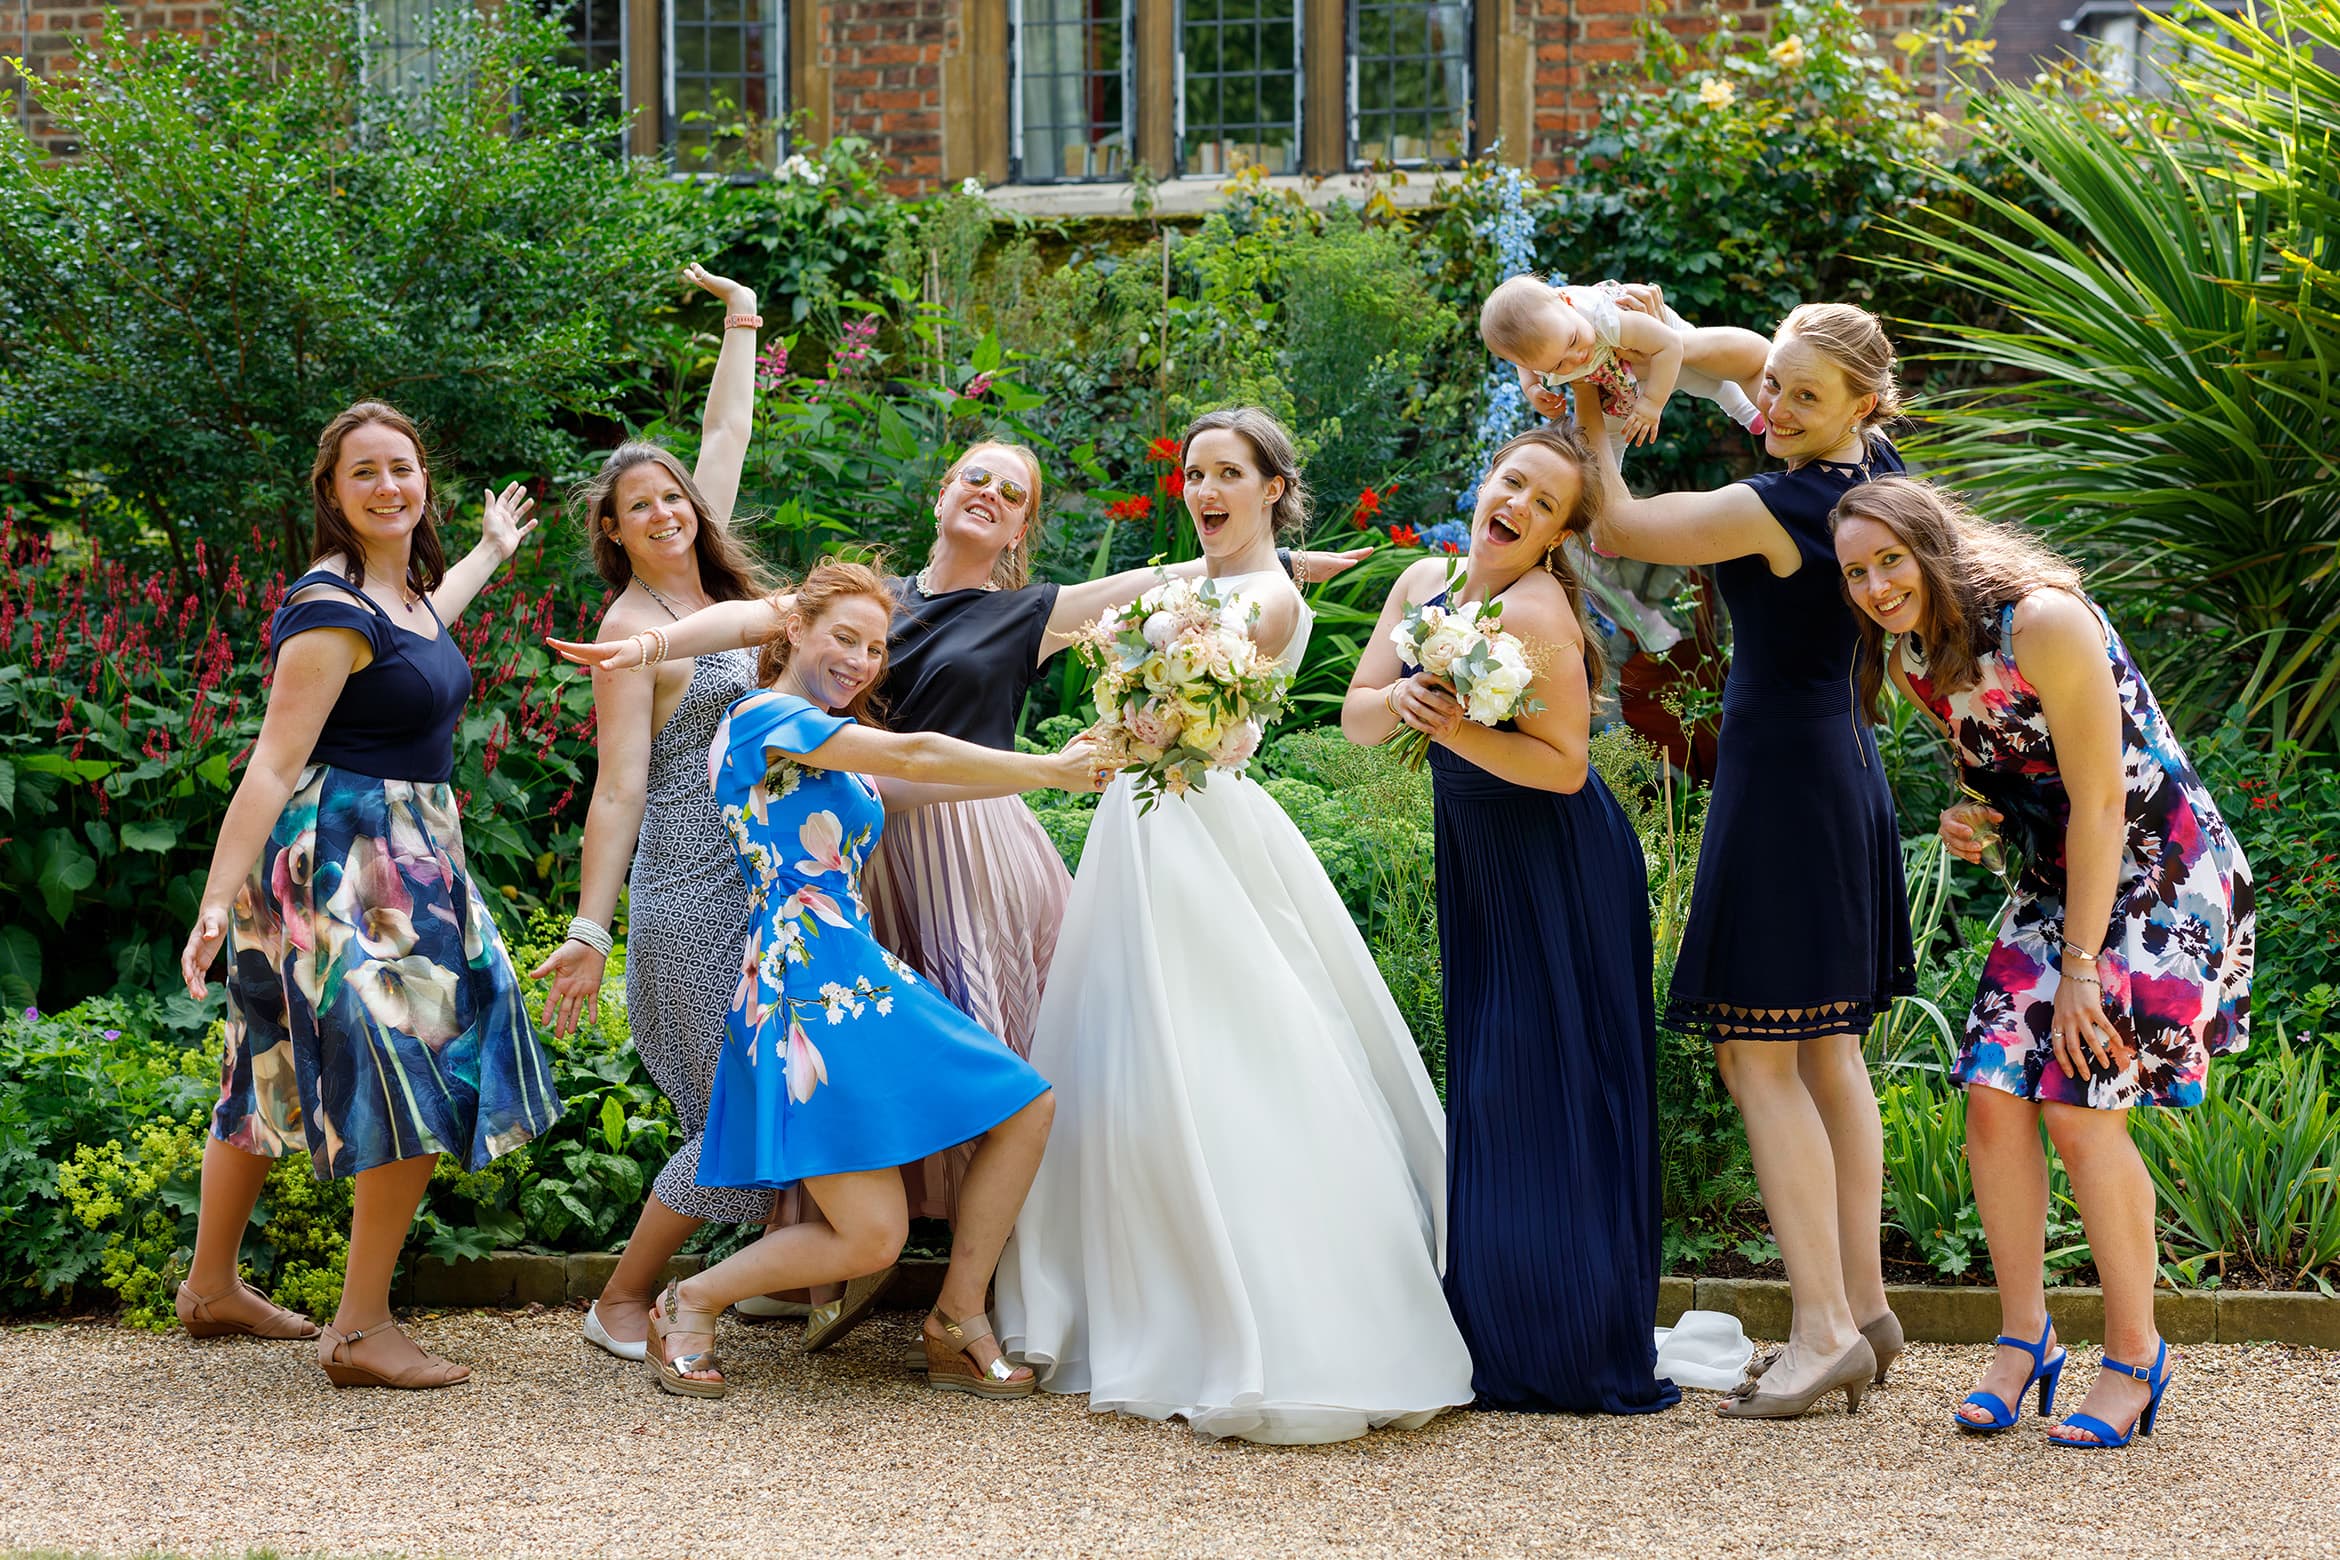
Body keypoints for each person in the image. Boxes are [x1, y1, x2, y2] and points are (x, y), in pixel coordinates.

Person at [552, 440, 1367, 1352]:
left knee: (1005, 1059)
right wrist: (650, 644)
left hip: (958, 837)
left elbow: (1170, 578)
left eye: (1012, 492)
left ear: (1023, 526)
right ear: (941, 489)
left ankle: (961, 1287)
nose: (989, 494)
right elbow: (755, 627)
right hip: (866, 848)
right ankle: (825, 1264)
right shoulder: (868, 608)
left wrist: (1281, 561)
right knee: (852, 1088)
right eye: (974, 475)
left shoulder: (1030, 611)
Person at [992, 407, 1477, 1445]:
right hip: (1140, 823)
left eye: (1227, 474)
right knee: (1118, 1053)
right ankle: (1116, 1292)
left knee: (1220, 1052)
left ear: (1270, 487)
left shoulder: (1261, 597)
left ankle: (1251, 1315)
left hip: (1197, 822)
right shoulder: (1195, 585)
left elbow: (1193, 721)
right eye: (1193, 474)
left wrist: (1121, 723)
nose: (1203, 490)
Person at [617, 558, 1103, 1399]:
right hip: (803, 985)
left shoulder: (829, 749)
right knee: (873, 1238)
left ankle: (958, 1315)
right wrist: (1051, 768)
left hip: (860, 971)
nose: (862, 660)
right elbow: (913, 746)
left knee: (1025, 1106)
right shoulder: (760, 716)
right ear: (793, 631)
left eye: (876, 648)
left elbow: (914, 776)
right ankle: (685, 1304)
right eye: (845, 638)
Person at [1833, 477, 2252, 1449]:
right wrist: (1972, 819)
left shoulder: (2046, 621)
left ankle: (2135, 1354)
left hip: (2161, 873)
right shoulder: (1916, 661)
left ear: (1935, 547)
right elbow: (2016, 781)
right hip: (2065, 876)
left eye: (1890, 560)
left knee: (2078, 1097)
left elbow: (2103, 799)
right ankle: (2026, 1338)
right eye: (1857, 573)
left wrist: (2080, 969)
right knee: (1991, 1092)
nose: (1876, 585)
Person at [1566, 300, 1915, 1420]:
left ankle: (1817, 1329)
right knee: (1825, 1054)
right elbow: (1743, 365)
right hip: (1843, 773)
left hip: (1782, 788)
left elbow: (1617, 522)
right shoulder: (1874, 473)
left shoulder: (1776, 507)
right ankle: (1860, 1310)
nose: (1774, 407)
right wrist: (1658, 340)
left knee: (1755, 1059)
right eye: (1777, 386)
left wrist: (1592, 406)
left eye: (1803, 397)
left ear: (1860, 401)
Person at [176, 401, 561, 1388]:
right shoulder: (329, 606)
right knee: (418, 1060)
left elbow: (427, 638)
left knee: (264, 1067)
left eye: (404, 467)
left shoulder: (399, 594)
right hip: (346, 860)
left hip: (398, 851)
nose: (390, 486)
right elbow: (270, 763)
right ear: (333, 494)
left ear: (423, 479)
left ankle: (211, 1289)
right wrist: (218, 901)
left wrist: (488, 551)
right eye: (366, 474)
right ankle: (358, 1330)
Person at [1341, 423, 1679, 1416]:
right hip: (1483, 859)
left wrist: (1455, 733)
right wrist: (1405, 697)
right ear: (1485, 481)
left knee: (1545, 1084)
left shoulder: (1536, 613)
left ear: (1555, 537)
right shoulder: (1422, 590)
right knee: (1492, 1084)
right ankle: (1499, 1331)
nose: (1518, 505)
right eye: (1512, 482)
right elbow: (1358, 714)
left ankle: (1570, 1344)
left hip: (1559, 865)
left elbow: (1565, 765)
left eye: (1544, 505)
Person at [529, 264, 786, 1363]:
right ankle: (623, 1302)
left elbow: (725, 426)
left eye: (673, 497)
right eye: (642, 508)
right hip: (688, 894)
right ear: (616, 532)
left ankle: (772, 1278)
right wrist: (592, 930)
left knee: (784, 1088)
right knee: (733, 1113)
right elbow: (619, 790)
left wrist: (742, 318)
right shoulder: (629, 632)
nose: (668, 511)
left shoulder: (714, 589)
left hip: (771, 881)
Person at [1481, 274, 1772, 448]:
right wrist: (1533, 389)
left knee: (1697, 376)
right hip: (1611, 373)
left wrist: (1651, 404)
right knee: (1611, 436)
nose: (1576, 357)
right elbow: (1523, 364)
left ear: (1566, 303)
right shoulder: (1545, 343)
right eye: (1557, 366)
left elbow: (1669, 346)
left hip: (1656, 338)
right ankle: (1604, 500)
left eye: (1572, 342)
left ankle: (1743, 409)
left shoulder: (1600, 317)